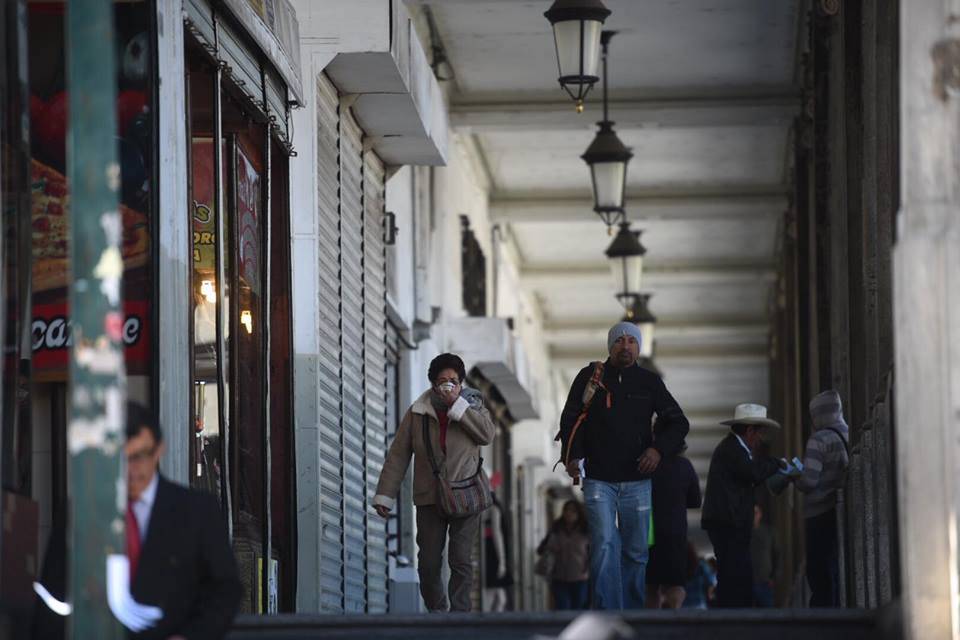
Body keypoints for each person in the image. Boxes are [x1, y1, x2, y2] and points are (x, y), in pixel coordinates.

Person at [32, 402, 242, 640]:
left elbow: (225, 589)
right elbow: (51, 600)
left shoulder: (196, 511)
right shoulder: (78, 513)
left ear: (159, 450)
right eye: (119, 459)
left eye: (138, 457)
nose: (129, 470)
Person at [558, 321, 690, 609]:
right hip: (598, 479)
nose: (625, 345)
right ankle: (607, 612)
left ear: (639, 347)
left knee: (636, 551)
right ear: (610, 346)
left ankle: (632, 614)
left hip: (637, 482)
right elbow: (570, 418)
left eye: (632, 341)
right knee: (604, 544)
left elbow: (679, 422)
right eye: (619, 340)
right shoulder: (590, 377)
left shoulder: (649, 382)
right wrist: (572, 457)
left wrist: (657, 450)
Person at [373, 353, 496, 612]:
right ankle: (437, 612)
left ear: (461, 383)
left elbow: (486, 435)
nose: (447, 385)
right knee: (428, 563)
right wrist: (385, 495)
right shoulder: (419, 412)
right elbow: (398, 454)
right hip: (430, 497)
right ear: (432, 384)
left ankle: (460, 615)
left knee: (460, 559)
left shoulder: (473, 406)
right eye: (442, 380)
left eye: (453, 380)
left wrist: (459, 407)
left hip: (466, 494)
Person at [701, 403, 785, 608]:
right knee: (735, 573)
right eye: (759, 433)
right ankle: (732, 617)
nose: (760, 440)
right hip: (729, 524)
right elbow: (753, 472)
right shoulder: (732, 449)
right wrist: (778, 464)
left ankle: (734, 614)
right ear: (749, 431)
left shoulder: (733, 449)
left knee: (736, 573)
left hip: (730, 523)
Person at [792, 389, 850, 607]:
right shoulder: (847, 433)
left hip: (819, 513)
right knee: (835, 566)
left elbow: (809, 481)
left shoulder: (819, 440)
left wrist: (794, 476)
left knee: (818, 570)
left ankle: (823, 617)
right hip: (840, 510)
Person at [645, 451, 701, 609]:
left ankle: (652, 624)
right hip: (675, 533)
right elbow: (695, 500)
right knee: (676, 585)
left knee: (650, 586)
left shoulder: (644, 463)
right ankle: (673, 615)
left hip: (648, 533)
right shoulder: (684, 465)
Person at [536, 500, 590, 610]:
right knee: (562, 608)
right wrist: (550, 547)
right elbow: (540, 550)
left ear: (579, 513)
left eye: (573, 511)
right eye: (566, 510)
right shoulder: (556, 528)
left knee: (578, 610)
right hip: (559, 578)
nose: (569, 513)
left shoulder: (586, 531)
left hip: (580, 579)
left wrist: (587, 570)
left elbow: (593, 554)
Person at [750, 504, 778, 607]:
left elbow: (777, 556)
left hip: (765, 583)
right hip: (747, 582)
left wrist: (774, 577)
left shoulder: (769, 532)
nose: (753, 515)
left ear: (760, 514)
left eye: (756, 513)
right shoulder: (742, 534)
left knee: (767, 615)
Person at [681, 545, 716, 609]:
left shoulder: (679, 566)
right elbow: (710, 582)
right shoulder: (701, 566)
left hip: (683, 605)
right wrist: (709, 596)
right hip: (699, 604)